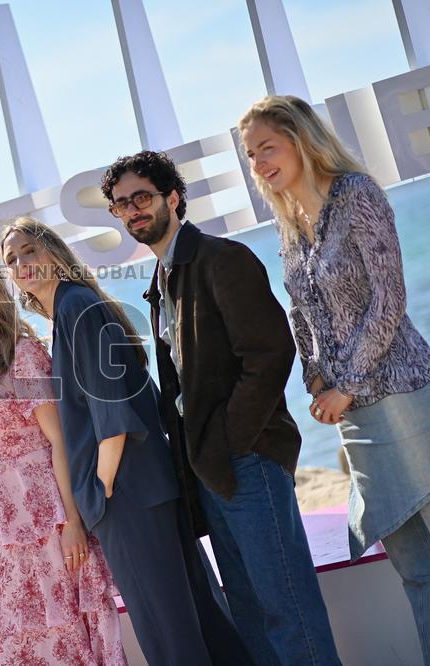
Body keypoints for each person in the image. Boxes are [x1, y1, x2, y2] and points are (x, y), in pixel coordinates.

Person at [240, 94, 430, 665]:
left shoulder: (357, 194)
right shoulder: (289, 224)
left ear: (300, 138)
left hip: (405, 393)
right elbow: (301, 313)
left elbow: (389, 298)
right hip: (355, 414)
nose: (258, 164)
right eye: (250, 156)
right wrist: (315, 378)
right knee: (415, 566)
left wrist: (343, 383)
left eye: (266, 148)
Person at [102, 150, 342, 665]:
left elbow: (269, 353)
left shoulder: (220, 259)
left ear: (172, 198)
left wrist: (233, 439)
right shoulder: (162, 281)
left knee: (288, 611)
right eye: (121, 204)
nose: (133, 211)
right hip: (210, 467)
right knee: (251, 615)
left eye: (142, 197)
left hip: (247, 460)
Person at [0, 217, 251, 666]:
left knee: (168, 634)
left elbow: (112, 415)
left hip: (127, 496)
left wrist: (100, 488)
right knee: (197, 618)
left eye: (29, 250)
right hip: (141, 489)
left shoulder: (77, 309)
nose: (22, 264)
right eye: (11, 260)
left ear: (53, 251)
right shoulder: (73, 309)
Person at [0, 254, 126, 665]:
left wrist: (72, 522)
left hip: (44, 515)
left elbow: (60, 441)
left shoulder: (24, 354)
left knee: (64, 627)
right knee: (20, 636)